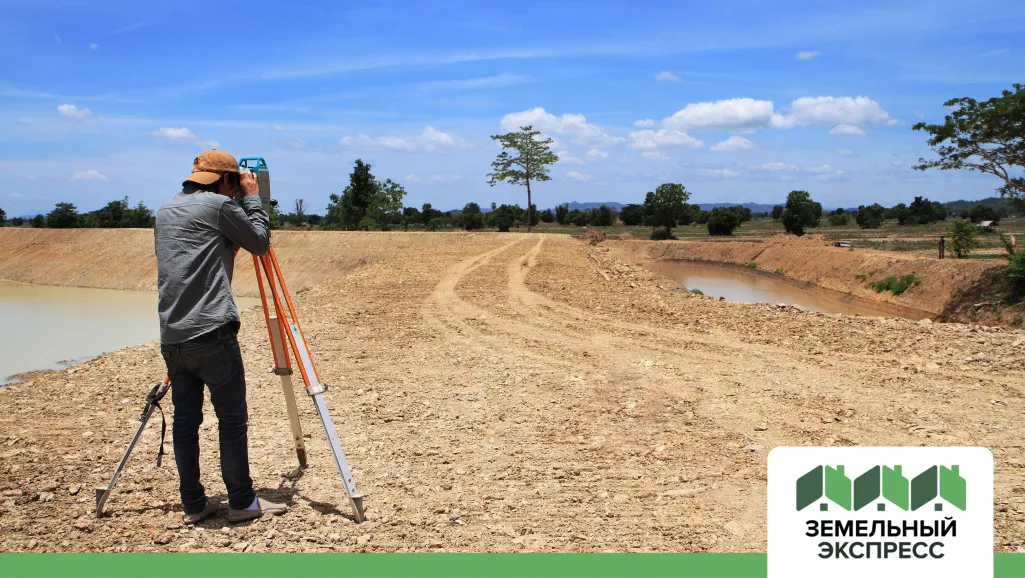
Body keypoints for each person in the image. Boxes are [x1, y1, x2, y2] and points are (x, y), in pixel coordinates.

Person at [154, 149, 287, 525]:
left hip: (172, 335)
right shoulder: (219, 206)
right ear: (226, 180)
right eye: (235, 182)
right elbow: (259, 242)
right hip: (212, 331)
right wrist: (253, 198)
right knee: (231, 420)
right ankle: (242, 501)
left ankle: (193, 504)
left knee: (185, 421)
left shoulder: (165, 210)